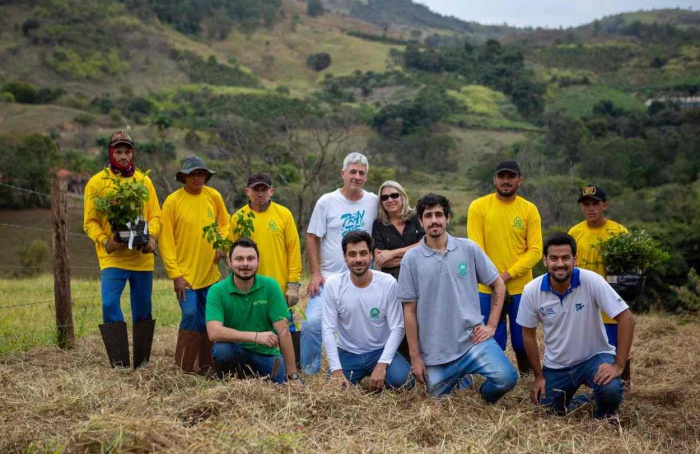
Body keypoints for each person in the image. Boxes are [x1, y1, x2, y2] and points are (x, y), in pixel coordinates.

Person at [398, 193, 518, 400]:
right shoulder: (411, 259)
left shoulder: (468, 248)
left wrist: (490, 326)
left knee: (507, 379)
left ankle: (481, 398)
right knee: (438, 401)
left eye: (438, 214)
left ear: (448, 218)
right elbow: (409, 311)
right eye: (428, 216)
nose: (434, 220)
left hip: (472, 341)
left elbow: (498, 284)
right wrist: (415, 357)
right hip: (436, 352)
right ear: (420, 221)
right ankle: (461, 380)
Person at [517, 232, 635, 419]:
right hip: (557, 365)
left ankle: (603, 415)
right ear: (545, 260)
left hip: (593, 358)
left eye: (566, 258)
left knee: (610, 389)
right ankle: (585, 400)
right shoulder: (532, 290)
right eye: (554, 258)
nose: (560, 264)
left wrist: (619, 365)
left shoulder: (592, 280)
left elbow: (627, 318)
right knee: (546, 411)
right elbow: (528, 334)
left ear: (575, 260)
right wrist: (539, 376)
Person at [84, 131, 160, 369]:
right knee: (108, 304)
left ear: (133, 153)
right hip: (113, 258)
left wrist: (152, 238)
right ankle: (118, 361)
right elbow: (90, 221)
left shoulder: (143, 181)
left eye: (127, 152)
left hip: (141, 258)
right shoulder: (98, 182)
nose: (124, 156)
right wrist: (105, 241)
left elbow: (155, 215)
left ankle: (142, 362)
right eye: (119, 152)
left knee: (143, 308)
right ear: (111, 153)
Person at [302, 152, 379, 375]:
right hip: (330, 279)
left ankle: (369, 368)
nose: (356, 177)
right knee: (311, 325)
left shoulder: (373, 202)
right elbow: (312, 236)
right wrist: (315, 273)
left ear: (366, 177)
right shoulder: (327, 202)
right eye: (352, 172)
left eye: (361, 173)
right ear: (343, 173)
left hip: (363, 281)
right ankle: (309, 375)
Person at [467, 160, 542, 374]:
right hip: (487, 289)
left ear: (520, 180)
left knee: (522, 341)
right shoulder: (479, 206)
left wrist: (507, 275)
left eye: (511, 177)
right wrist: (493, 278)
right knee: (491, 339)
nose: (506, 181)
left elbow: (536, 250)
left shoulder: (529, 209)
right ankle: (495, 378)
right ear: (495, 180)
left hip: (521, 289)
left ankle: (528, 378)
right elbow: (476, 248)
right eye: (502, 177)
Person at [159, 156, 229, 375]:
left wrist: (221, 245)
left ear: (206, 176)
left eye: (201, 174)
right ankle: (184, 368)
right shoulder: (173, 201)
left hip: (210, 273)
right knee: (190, 315)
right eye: (192, 174)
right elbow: (166, 241)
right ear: (184, 177)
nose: (197, 178)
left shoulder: (213, 196)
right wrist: (175, 274)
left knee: (210, 318)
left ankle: (208, 366)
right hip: (185, 276)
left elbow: (226, 223)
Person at [322, 231, 413, 390]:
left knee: (405, 381)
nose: (358, 259)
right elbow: (328, 329)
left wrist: (382, 364)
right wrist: (336, 369)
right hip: (347, 352)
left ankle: (380, 373)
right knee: (333, 390)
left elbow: (398, 328)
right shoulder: (333, 285)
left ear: (371, 255)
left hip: (379, 350)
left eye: (363, 253)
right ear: (344, 257)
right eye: (352, 254)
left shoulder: (388, 283)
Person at [205, 238, 301, 384]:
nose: (245, 264)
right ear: (230, 262)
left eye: (250, 259)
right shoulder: (217, 291)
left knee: (282, 382)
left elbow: (283, 332)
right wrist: (255, 337)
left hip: (267, 354)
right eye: (239, 259)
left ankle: (258, 377)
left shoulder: (270, 286)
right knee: (222, 351)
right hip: (235, 350)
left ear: (258, 261)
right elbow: (213, 332)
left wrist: (293, 375)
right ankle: (231, 382)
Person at [228, 173, 302, 339]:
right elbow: (231, 253)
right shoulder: (239, 218)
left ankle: (290, 363)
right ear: (247, 191)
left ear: (271, 191)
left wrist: (293, 284)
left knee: (284, 331)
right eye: (255, 189)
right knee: (252, 330)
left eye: (264, 189)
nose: (260, 193)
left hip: (279, 287)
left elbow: (293, 250)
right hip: (249, 287)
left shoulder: (284, 214)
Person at [568, 184, 629, 349]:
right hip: (581, 303)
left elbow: (629, 270)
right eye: (586, 205)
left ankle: (621, 373)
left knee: (614, 350)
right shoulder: (574, 233)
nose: (591, 209)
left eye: (595, 204)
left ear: (605, 205)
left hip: (610, 305)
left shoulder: (619, 232)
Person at [371, 180, 424, 280]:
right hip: (393, 281)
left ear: (402, 196)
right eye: (384, 197)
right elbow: (382, 260)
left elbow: (426, 245)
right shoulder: (378, 225)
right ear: (381, 202)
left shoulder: (416, 217)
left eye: (394, 195)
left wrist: (392, 254)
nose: (390, 200)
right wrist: (416, 257)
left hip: (421, 277)